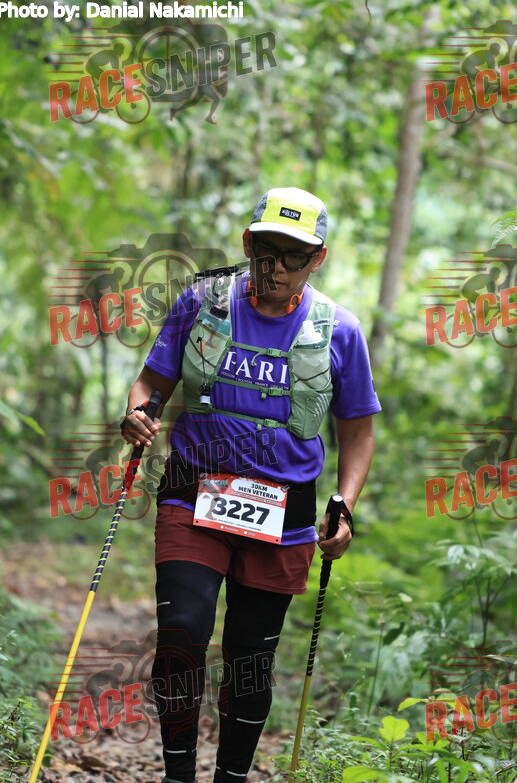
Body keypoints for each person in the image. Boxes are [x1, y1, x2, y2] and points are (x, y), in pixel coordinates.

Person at [121, 187, 381, 783]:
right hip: (193, 490)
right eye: (268, 251)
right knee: (182, 632)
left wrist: (344, 505)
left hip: (284, 510)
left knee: (251, 659)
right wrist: (138, 414)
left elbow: (358, 432)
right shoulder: (201, 304)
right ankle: (177, 775)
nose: (278, 267)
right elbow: (151, 383)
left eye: (295, 255)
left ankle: (231, 776)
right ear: (247, 244)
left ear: (318, 259)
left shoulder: (340, 331)